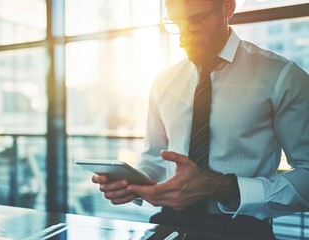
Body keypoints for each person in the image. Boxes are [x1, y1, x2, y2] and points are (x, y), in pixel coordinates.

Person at [92, 0, 309, 238]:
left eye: (194, 21)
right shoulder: (163, 82)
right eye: (175, 24)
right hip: (168, 223)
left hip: (243, 229)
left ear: (227, 7)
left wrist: (225, 188)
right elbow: (154, 157)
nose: (182, 37)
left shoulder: (282, 76)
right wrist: (132, 185)